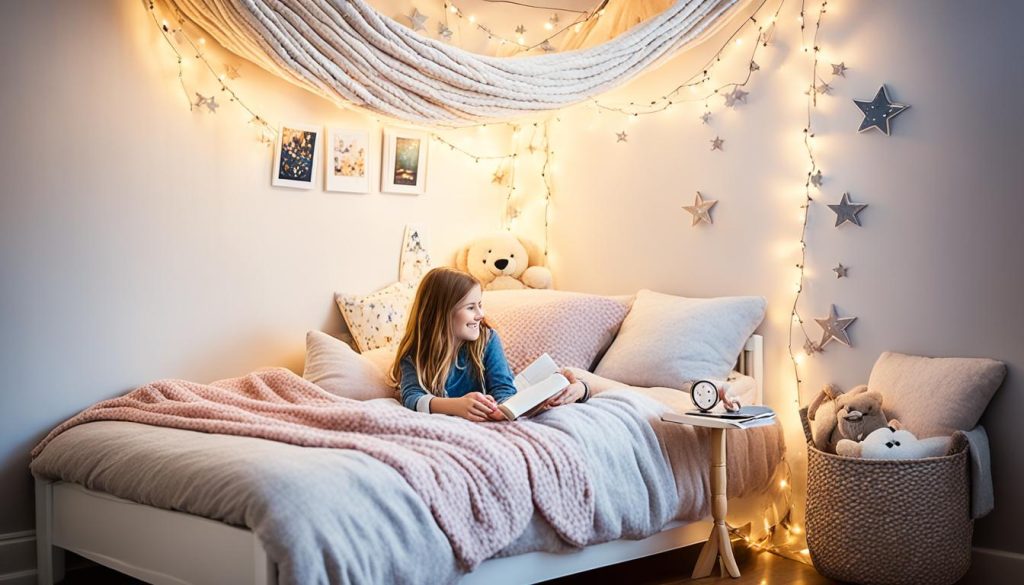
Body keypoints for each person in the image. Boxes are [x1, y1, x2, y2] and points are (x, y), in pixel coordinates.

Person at [389, 267, 589, 421]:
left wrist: (503, 410)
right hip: (473, 406)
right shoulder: (415, 354)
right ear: (441, 314)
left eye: (480, 304)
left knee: (567, 379)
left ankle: (582, 388)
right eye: (470, 307)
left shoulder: (486, 340)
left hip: (516, 390)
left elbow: (504, 390)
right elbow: (411, 397)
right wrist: (456, 406)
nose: (480, 314)